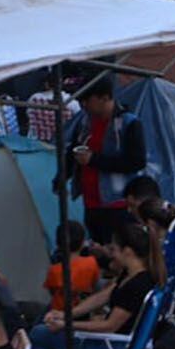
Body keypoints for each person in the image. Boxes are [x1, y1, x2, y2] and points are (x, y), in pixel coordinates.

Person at [28, 221, 157, 349]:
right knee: (43, 332)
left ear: (128, 252)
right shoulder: (135, 273)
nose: (111, 255)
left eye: (114, 250)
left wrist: (66, 324)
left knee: (38, 334)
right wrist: (67, 314)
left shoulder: (136, 285)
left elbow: (109, 326)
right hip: (122, 341)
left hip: (113, 347)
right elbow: (103, 296)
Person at [62, 84, 147, 244]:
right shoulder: (84, 122)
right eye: (81, 102)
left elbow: (137, 161)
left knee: (117, 250)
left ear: (105, 98)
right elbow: (72, 151)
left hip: (117, 203)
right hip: (91, 202)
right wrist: (62, 176)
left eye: (88, 100)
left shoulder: (128, 123)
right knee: (98, 248)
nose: (84, 105)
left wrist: (94, 160)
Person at [44, 220, 99, 313]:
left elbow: (52, 291)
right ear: (82, 243)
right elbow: (94, 284)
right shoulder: (92, 263)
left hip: (60, 312)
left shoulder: (54, 270)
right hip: (84, 310)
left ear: (58, 244)